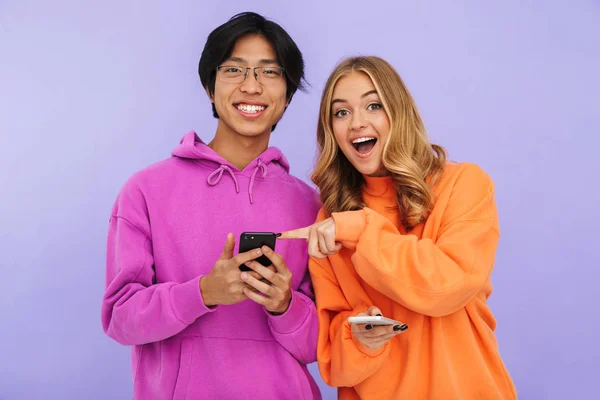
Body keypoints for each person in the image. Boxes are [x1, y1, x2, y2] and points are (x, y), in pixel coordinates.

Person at [101, 12, 322, 400]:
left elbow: (320, 345)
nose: (251, 86)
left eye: (269, 72)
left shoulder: (311, 205)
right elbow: (121, 319)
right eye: (235, 69)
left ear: (286, 96)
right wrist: (203, 292)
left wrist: (285, 305)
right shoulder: (145, 191)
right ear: (210, 86)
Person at [281, 56, 517, 399]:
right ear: (331, 130)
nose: (356, 123)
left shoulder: (464, 185)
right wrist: (359, 341)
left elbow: (447, 284)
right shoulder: (329, 225)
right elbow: (333, 361)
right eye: (341, 112)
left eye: (373, 106)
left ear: (399, 111)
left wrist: (361, 229)